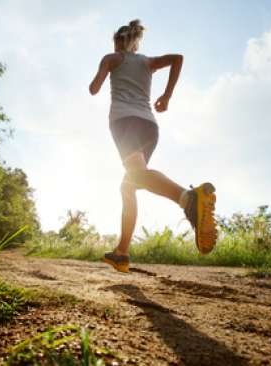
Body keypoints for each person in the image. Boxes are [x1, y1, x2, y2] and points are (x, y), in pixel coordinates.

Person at [89, 19, 217, 273]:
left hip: (124, 122)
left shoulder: (112, 58)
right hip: (149, 126)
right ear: (135, 44)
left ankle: (188, 199)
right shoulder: (147, 62)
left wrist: (104, 69)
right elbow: (177, 58)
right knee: (129, 185)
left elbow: (94, 88)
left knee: (136, 176)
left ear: (119, 43)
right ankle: (122, 252)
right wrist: (167, 95)